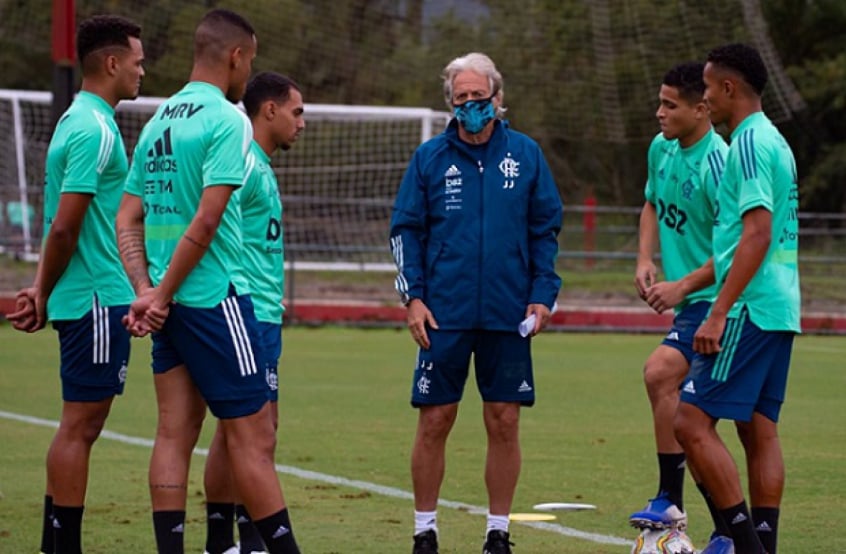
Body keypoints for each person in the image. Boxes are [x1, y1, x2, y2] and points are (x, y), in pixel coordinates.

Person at [115, 9, 300, 554]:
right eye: (251, 60)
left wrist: (146, 291)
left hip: (167, 308)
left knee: (173, 434)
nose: (249, 72)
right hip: (214, 298)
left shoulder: (158, 120)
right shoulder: (227, 119)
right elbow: (207, 219)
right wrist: (163, 293)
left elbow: (127, 218)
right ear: (236, 56)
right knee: (254, 438)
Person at [389, 52, 562, 554]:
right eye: (460, 97)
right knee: (435, 419)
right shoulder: (429, 158)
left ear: (497, 98)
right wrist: (413, 298)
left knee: (504, 420)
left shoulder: (526, 155)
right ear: (451, 103)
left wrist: (542, 295)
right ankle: (425, 531)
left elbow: (545, 230)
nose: (470, 105)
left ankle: (498, 532)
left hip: (509, 313)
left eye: (478, 96)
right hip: (443, 312)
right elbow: (405, 231)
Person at [5, 14, 144, 554]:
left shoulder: (75, 119)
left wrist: (43, 286)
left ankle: (53, 544)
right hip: (95, 295)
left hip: (82, 294)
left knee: (76, 425)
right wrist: (41, 289)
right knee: (80, 427)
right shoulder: (94, 129)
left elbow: (64, 224)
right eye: (136, 61)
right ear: (111, 63)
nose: (141, 71)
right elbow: (65, 225)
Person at [674, 43, 801, 554]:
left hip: (749, 306)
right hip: (780, 305)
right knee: (758, 429)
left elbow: (757, 232)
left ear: (728, 88)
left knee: (689, 421)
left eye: (708, 88)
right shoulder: (775, 140)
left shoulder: (747, 144)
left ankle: (746, 546)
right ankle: (765, 543)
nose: (704, 97)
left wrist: (719, 310)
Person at [629, 62, 733, 553]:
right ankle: (726, 531)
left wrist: (682, 286)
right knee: (692, 424)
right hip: (690, 303)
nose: (660, 112)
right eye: (660, 101)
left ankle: (675, 500)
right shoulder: (661, 148)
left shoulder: (721, 164)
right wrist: (645, 258)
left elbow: (736, 249)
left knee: (661, 376)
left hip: (721, 304)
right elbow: (652, 203)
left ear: (701, 108)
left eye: (670, 105)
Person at [202, 72, 304, 554]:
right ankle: (244, 539)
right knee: (254, 431)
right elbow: (213, 223)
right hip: (248, 311)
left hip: (263, 311)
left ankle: (229, 540)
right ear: (269, 110)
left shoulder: (259, 164)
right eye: (296, 112)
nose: (301, 123)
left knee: (238, 430)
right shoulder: (243, 162)